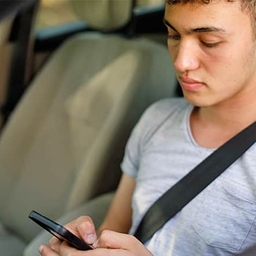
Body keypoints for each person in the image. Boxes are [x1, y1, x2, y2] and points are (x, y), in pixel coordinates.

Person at [38, 0, 256, 255]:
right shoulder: (157, 119)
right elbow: (115, 230)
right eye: (173, 35)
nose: (181, 62)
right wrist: (87, 247)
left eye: (209, 41)